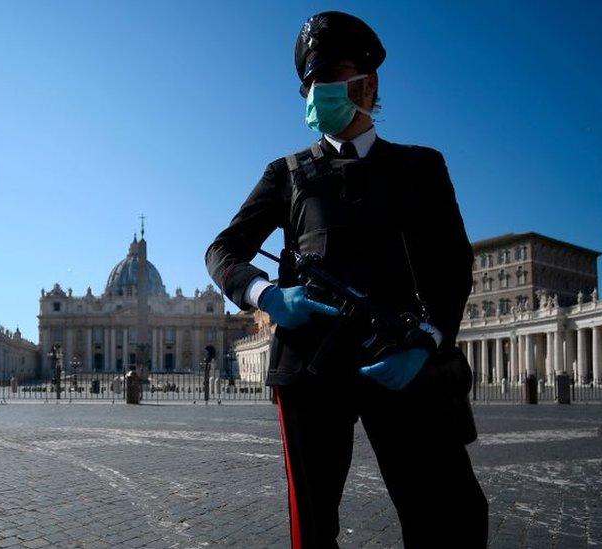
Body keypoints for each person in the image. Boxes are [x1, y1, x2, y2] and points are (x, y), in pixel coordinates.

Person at [205, 11, 487, 548]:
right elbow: (223, 250)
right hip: (311, 368)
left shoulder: (421, 167)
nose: (317, 93)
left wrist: (428, 342)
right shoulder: (284, 173)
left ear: (366, 83)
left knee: (447, 518)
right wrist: (266, 293)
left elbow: (455, 265)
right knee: (312, 529)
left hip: (402, 362)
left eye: (330, 77)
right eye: (309, 84)